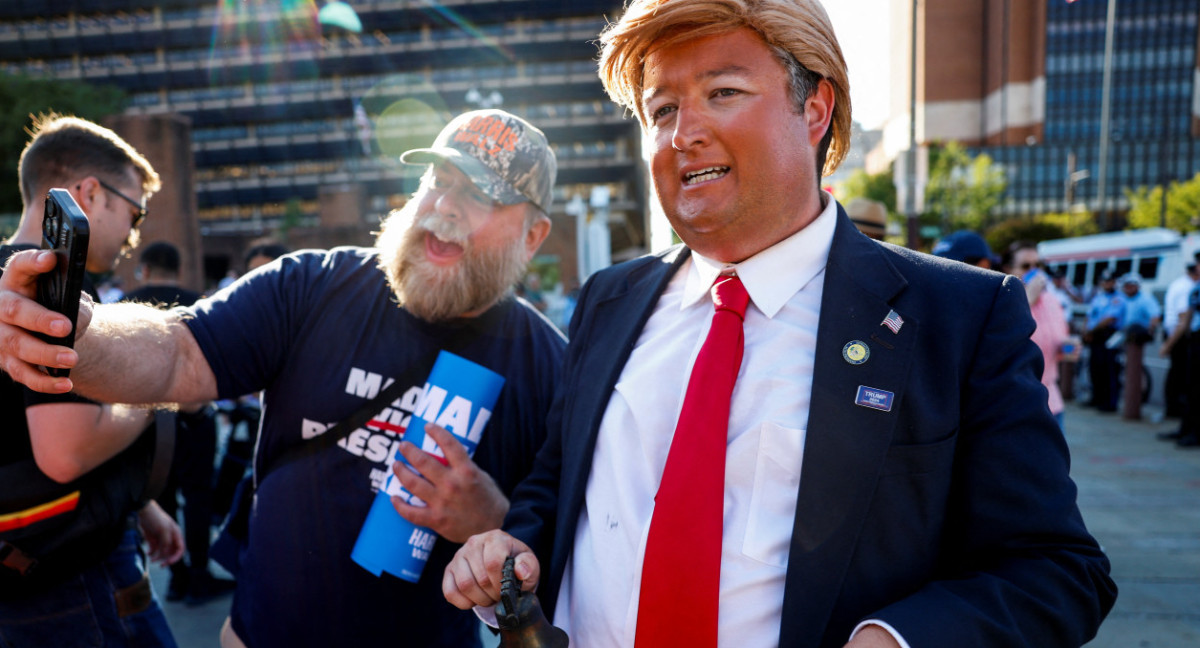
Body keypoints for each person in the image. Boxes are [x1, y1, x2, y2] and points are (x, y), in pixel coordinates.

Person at [443, 2, 1116, 647]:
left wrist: (897, 639)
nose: (685, 133)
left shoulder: (959, 316)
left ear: (815, 108)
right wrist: (512, 543)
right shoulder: (608, 300)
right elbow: (558, 486)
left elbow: (1056, 570)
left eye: (724, 92)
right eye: (663, 109)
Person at [0, 108, 565, 648]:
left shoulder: (552, 369)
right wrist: (81, 331)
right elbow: (177, 353)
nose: (444, 206)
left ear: (534, 236)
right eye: (437, 179)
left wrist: (490, 519)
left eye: (480, 195)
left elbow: (575, 546)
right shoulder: (312, 285)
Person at [0, 114, 182, 646]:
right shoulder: (48, 286)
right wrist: (161, 384)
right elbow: (66, 450)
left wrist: (140, 504)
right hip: (73, 579)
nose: (134, 234)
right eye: (134, 210)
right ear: (88, 192)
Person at [124, 241, 234, 605]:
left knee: (162, 494)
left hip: (149, 419)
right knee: (198, 496)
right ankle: (199, 573)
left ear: (146, 268)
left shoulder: (125, 303)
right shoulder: (197, 301)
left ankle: (177, 575)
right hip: (195, 413)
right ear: (178, 268)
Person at [1005, 241, 1071, 429]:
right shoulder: (1004, 299)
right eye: (1026, 266)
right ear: (1011, 269)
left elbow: (1058, 340)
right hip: (1018, 403)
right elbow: (1006, 342)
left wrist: (1067, 347)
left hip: (1052, 400)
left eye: (1038, 265)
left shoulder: (1052, 300)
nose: (1034, 271)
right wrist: (1027, 299)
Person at [1159, 272, 1200, 448]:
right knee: (1190, 387)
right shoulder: (1195, 288)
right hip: (1194, 338)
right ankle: (1186, 429)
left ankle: (1194, 433)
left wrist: (1168, 344)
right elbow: (1187, 316)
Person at [1085, 269, 1124, 412]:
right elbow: (1089, 315)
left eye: (1110, 281)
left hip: (1108, 335)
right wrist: (1086, 331)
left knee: (1110, 370)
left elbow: (1110, 318)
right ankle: (1096, 398)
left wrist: (1091, 330)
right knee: (1095, 368)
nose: (1107, 283)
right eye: (1104, 281)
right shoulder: (1098, 297)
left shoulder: (1118, 298)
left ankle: (1110, 403)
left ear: (1114, 282)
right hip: (1095, 336)